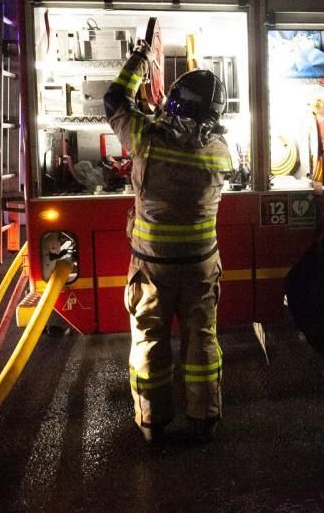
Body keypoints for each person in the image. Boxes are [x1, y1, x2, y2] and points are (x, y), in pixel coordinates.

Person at [103, 36, 232, 443]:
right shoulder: (221, 150)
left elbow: (114, 101)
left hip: (153, 264)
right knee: (202, 341)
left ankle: (153, 424)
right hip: (200, 263)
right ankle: (205, 418)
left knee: (150, 343)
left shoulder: (147, 136)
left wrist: (139, 60)